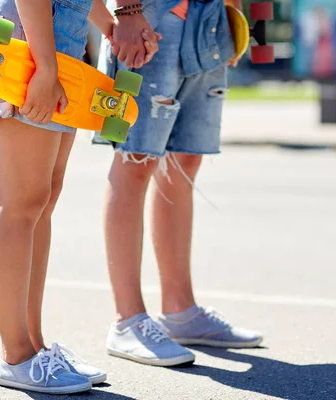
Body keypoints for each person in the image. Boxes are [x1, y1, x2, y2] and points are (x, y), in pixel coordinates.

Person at [0, 0, 160, 394]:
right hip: (32, 35)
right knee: (21, 202)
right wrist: (45, 65)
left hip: (61, 39)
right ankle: (16, 355)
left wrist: (109, 27)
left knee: (42, 200)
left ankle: (35, 346)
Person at [94, 0, 264, 367]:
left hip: (208, 18)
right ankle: (128, 320)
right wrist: (126, 10)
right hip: (150, 15)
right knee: (135, 159)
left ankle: (179, 311)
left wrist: (232, 17)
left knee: (185, 159)